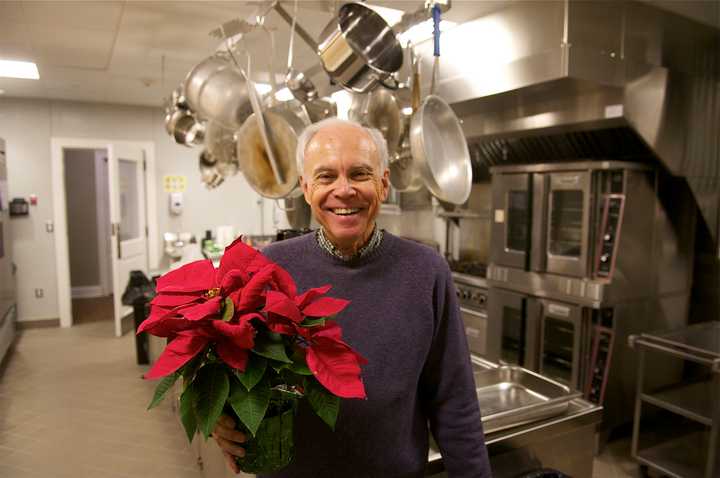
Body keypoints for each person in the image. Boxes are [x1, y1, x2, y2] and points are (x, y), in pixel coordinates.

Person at [212, 118, 492, 477]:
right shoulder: (269, 268)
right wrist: (222, 418)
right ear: (306, 187)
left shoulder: (426, 272)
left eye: (359, 174)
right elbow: (233, 372)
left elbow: (454, 399)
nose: (343, 190)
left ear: (384, 184)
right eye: (326, 177)